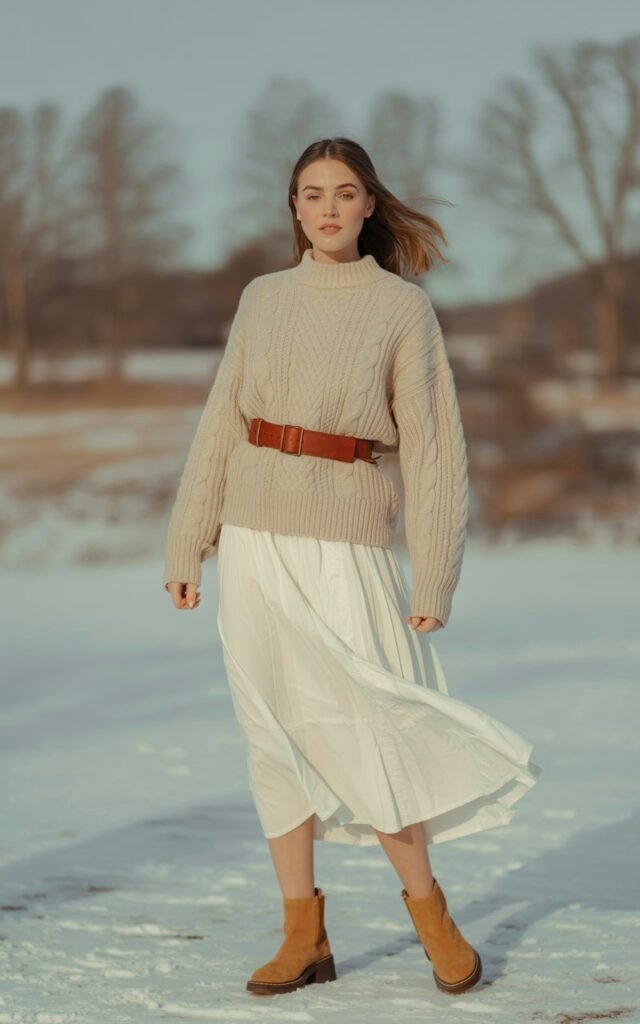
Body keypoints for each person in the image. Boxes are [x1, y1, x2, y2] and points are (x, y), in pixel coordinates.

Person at [163, 137, 540, 998]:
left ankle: (430, 914)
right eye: (310, 194)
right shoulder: (262, 299)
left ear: (370, 205)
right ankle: (303, 935)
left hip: (347, 543)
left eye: (343, 192)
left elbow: (436, 454)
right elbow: (223, 420)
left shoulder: (402, 311)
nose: (327, 207)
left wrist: (434, 575)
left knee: (374, 722)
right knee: (272, 732)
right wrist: (190, 540)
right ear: (292, 208)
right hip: (254, 537)